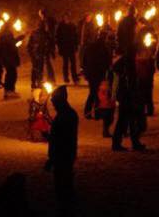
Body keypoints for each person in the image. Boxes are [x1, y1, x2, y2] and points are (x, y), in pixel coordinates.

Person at [44, 86, 78, 215]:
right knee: (65, 183)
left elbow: (61, 140)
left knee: (63, 185)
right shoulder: (68, 114)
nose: (53, 105)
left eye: (54, 102)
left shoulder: (65, 116)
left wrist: (52, 159)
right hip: (66, 155)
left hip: (63, 156)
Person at [111, 55, 146, 151]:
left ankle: (132, 142)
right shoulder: (127, 63)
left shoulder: (126, 61)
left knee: (128, 120)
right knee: (128, 120)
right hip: (127, 95)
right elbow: (130, 81)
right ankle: (122, 143)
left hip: (126, 95)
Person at [82, 31, 112, 119]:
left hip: (90, 73)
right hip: (98, 73)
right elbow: (107, 62)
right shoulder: (104, 48)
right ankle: (96, 113)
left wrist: (85, 70)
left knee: (92, 92)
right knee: (96, 93)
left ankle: (88, 112)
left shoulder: (90, 47)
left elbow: (84, 60)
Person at [135, 19, 157, 116]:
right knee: (146, 93)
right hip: (145, 74)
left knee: (145, 93)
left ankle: (148, 109)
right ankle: (148, 109)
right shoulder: (149, 32)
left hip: (145, 74)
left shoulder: (144, 33)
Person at [56, 14, 79, 85]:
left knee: (73, 63)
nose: (66, 18)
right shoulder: (60, 26)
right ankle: (66, 77)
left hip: (71, 47)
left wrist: (76, 45)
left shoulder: (72, 25)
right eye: (65, 17)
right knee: (65, 63)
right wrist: (59, 47)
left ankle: (74, 77)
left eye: (67, 17)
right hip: (64, 47)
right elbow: (58, 37)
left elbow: (76, 35)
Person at [0, 30, 24, 99]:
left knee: (10, 74)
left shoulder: (4, 39)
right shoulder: (7, 39)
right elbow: (12, 46)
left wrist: (20, 37)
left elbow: (13, 42)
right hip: (10, 60)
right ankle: (10, 90)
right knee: (12, 75)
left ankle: (8, 90)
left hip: (8, 60)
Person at [28, 22, 50, 89]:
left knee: (36, 68)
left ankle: (35, 82)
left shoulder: (37, 33)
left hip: (37, 53)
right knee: (38, 68)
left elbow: (29, 44)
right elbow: (30, 44)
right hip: (38, 53)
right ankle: (37, 82)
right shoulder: (43, 33)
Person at [96, 71, 116, 137]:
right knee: (108, 120)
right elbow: (105, 96)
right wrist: (109, 100)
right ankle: (105, 132)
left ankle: (105, 131)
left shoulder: (104, 85)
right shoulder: (106, 86)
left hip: (106, 105)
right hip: (107, 106)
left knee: (108, 120)